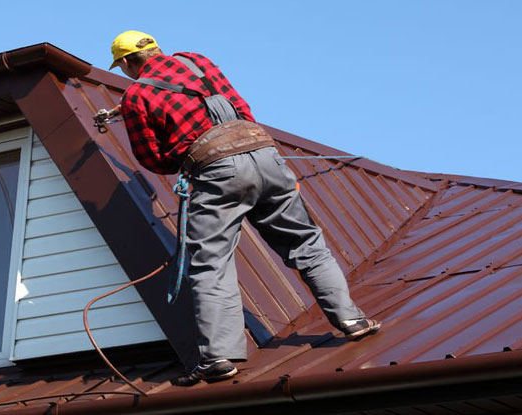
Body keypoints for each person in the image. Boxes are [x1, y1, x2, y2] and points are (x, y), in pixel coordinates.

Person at [109, 30, 381, 386]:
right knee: (305, 243)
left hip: (217, 170)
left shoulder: (136, 95)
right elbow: (241, 109)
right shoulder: (197, 60)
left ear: (128, 62)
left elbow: (153, 158)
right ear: (156, 48)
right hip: (265, 155)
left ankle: (219, 357)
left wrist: (182, 149)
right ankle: (352, 320)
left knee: (211, 263)